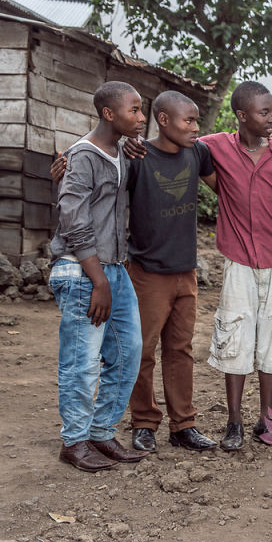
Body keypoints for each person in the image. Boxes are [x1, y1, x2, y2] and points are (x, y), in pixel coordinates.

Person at [122, 82, 272, 451]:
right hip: (185, 266)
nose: (194, 127)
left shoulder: (261, 153)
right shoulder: (174, 151)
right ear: (242, 116)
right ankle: (162, 423)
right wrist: (127, 143)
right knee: (162, 348)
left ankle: (200, 424)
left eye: (196, 122)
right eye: (264, 112)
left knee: (195, 348)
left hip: (225, 266)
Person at [53, 91, 220, 453]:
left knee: (181, 349)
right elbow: (100, 188)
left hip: (186, 270)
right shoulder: (136, 157)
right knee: (140, 351)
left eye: (196, 120)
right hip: (146, 271)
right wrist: (64, 170)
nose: (196, 128)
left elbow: (226, 188)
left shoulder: (198, 153)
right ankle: (144, 422)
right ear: (164, 120)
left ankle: (184, 425)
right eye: (189, 120)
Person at [48, 81, 148, 471]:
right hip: (82, 272)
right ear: (109, 113)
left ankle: (101, 432)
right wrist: (99, 281)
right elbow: (72, 220)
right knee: (82, 361)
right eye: (134, 110)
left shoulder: (120, 151)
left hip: (114, 269)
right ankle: (74, 442)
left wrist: (109, 277)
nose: (141, 117)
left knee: (128, 353)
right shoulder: (81, 156)